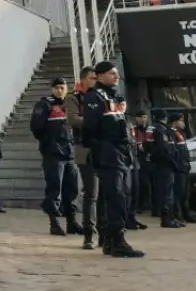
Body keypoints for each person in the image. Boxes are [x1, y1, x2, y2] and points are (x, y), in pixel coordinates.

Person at [81, 61, 143, 258]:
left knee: (122, 195)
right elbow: (90, 129)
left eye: (117, 74)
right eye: (112, 74)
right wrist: (100, 149)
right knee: (115, 196)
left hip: (122, 151)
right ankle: (117, 241)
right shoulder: (94, 96)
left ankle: (109, 240)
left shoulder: (113, 96)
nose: (116, 77)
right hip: (109, 152)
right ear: (99, 76)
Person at [30, 76, 81, 236]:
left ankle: (71, 222)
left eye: (62, 87)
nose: (60, 90)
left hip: (69, 153)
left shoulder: (70, 104)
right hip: (53, 153)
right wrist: (49, 143)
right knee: (54, 188)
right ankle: (54, 222)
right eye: (57, 87)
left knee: (71, 188)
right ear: (52, 89)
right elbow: (36, 128)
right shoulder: (45, 104)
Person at [68, 66, 102, 249]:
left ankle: (106, 233)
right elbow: (72, 119)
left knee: (105, 193)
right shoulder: (73, 98)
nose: (95, 81)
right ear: (83, 80)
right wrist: (95, 121)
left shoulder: (100, 96)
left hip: (104, 149)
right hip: (84, 149)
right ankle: (89, 234)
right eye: (91, 78)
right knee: (91, 193)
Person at [147, 112, 182, 228]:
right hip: (164, 165)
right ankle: (166, 219)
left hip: (167, 165)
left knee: (169, 193)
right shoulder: (160, 130)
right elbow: (163, 149)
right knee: (166, 193)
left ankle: (171, 218)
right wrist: (172, 162)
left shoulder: (163, 130)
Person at [168, 113, 196, 225]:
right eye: (180, 121)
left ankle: (186, 213)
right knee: (179, 192)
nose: (182, 123)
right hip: (178, 168)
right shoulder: (170, 133)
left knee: (186, 192)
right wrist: (177, 165)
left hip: (185, 166)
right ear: (174, 121)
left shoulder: (180, 133)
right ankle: (178, 215)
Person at [124, 110, 149, 231]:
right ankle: (126, 220)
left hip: (134, 162)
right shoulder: (120, 124)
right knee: (127, 193)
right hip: (126, 164)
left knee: (135, 192)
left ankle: (132, 217)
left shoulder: (130, 126)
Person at [130, 110, 152, 220]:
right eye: (140, 117)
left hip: (150, 160)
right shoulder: (133, 130)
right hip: (138, 160)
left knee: (150, 183)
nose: (143, 119)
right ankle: (141, 205)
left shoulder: (151, 130)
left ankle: (149, 204)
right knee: (141, 184)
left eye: (144, 117)